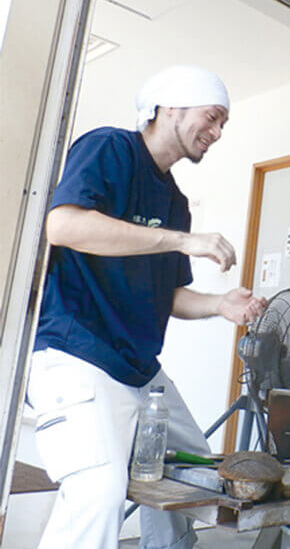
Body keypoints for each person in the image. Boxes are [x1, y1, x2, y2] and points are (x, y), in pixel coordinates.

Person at [27, 65, 267, 549]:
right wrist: (183, 240)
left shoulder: (176, 201)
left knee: (195, 477)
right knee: (98, 493)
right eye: (212, 117)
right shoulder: (110, 149)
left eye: (223, 125)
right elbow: (64, 226)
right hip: (77, 357)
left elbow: (171, 298)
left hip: (140, 371)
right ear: (170, 106)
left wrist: (220, 304)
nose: (216, 133)